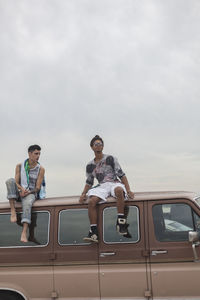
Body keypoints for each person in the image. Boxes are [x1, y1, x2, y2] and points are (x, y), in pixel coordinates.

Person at [79, 135, 134, 243]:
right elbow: (89, 182)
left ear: (103, 146)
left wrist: (128, 190)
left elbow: (121, 175)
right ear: (92, 147)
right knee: (92, 201)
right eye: (96, 144)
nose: (99, 146)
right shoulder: (90, 165)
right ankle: (93, 231)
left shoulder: (110, 158)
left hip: (114, 183)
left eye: (100, 144)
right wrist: (83, 194)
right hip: (102, 186)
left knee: (119, 191)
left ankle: (121, 222)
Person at [5, 144, 45, 243]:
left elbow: (38, 187)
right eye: (36, 153)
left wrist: (28, 192)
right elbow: (16, 182)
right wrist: (21, 189)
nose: (38, 156)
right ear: (29, 154)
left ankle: (24, 232)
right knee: (10, 181)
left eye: (39, 153)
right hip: (20, 192)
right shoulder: (20, 166)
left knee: (27, 204)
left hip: (31, 193)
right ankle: (13, 211)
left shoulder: (41, 169)